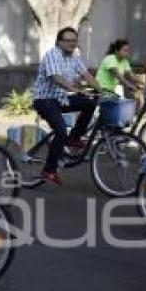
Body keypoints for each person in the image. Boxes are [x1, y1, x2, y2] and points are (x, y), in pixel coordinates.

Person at [32, 27, 104, 186]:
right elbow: (57, 78)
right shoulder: (52, 55)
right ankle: (49, 170)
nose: (72, 43)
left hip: (61, 99)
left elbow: (87, 76)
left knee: (90, 103)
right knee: (60, 130)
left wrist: (102, 92)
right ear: (59, 42)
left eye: (74, 40)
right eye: (68, 40)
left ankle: (74, 138)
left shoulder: (74, 58)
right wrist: (76, 90)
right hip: (45, 99)